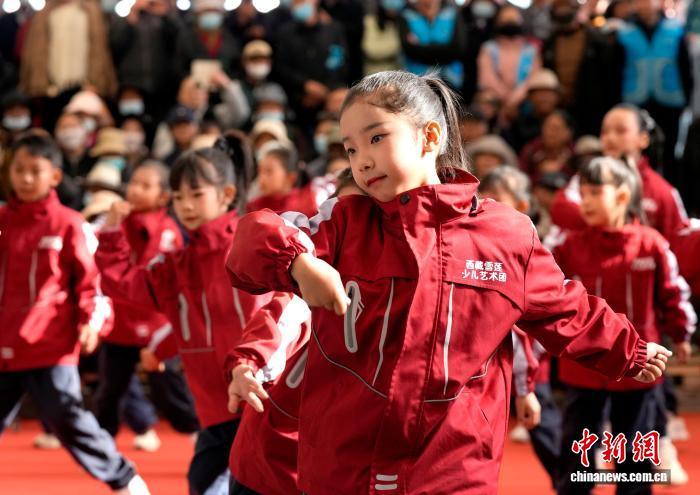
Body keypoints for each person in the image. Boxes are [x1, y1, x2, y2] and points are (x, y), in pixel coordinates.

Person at [226, 70, 671, 494]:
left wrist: (628, 349)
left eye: (376, 138)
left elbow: (565, 308)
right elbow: (251, 239)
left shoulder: (506, 234)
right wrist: (298, 262)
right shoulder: (342, 223)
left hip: (452, 469)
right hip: (343, 469)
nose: (363, 160)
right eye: (350, 149)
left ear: (430, 137)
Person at [95, 140, 275, 495]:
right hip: (214, 408)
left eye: (196, 194)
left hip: (265, 398)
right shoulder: (176, 266)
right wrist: (111, 235)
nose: (186, 205)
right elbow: (123, 284)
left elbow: (284, 313)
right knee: (204, 483)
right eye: (178, 196)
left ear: (226, 194)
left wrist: (256, 363)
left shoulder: (255, 246)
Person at [0, 132, 150, 495]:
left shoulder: (69, 223)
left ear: (54, 175)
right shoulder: (2, 221)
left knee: (68, 420)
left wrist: (92, 323)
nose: (25, 178)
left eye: (35, 170)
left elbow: (94, 281)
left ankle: (125, 479)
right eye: (19, 170)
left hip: (51, 345)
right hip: (4, 345)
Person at [551, 156, 695, 494]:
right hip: (584, 367)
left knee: (635, 451)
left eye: (594, 193)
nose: (585, 202)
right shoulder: (568, 245)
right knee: (576, 450)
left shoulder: (651, 243)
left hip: (640, 367)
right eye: (582, 193)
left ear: (621, 195)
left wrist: (681, 333)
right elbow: (549, 297)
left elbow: (673, 293)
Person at [92, 161, 185, 449]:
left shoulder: (168, 229)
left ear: (163, 196)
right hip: (120, 322)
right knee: (110, 388)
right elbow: (99, 259)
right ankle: (103, 443)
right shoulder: (117, 220)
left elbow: (148, 276)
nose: (135, 190)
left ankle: (196, 430)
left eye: (145, 186)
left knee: (169, 388)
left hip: (156, 324)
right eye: (133, 183)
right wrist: (111, 225)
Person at [550, 104, 688, 240]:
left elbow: (679, 241)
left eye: (621, 131)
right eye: (604, 132)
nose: (610, 138)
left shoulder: (663, 191)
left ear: (643, 139)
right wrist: (605, 220)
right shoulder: (588, 175)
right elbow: (560, 209)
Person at [616, 0, 692, 185]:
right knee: (639, 152)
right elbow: (616, 70)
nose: (645, 4)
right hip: (635, 102)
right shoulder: (624, 32)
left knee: (670, 152)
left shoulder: (675, 30)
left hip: (670, 101)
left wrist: (687, 100)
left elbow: (685, 67)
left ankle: (669, 191)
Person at [477, 4, 542, 125]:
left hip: (523, 101)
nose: (510, 24)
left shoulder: (530, 50)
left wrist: (514, 100)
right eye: (505, 21)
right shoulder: (489, 48)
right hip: (496, 100)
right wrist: (505, 99)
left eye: (513, 21)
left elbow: (532, 79)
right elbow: (487, 78)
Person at [399, 0, 466, 90]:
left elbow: (459, 48)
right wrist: (444, 49)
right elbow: (410, 50)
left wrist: (422, 48)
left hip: (451, 80)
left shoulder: (452, 12)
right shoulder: (407, 15)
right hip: (417, 82)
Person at [362, 0, 404, 76]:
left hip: (393, 71)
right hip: (373, 71)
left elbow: (396, 47)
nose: (393, 12)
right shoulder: (369, 21)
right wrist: (391, 50)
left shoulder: (395, 22)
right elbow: (371, 50)